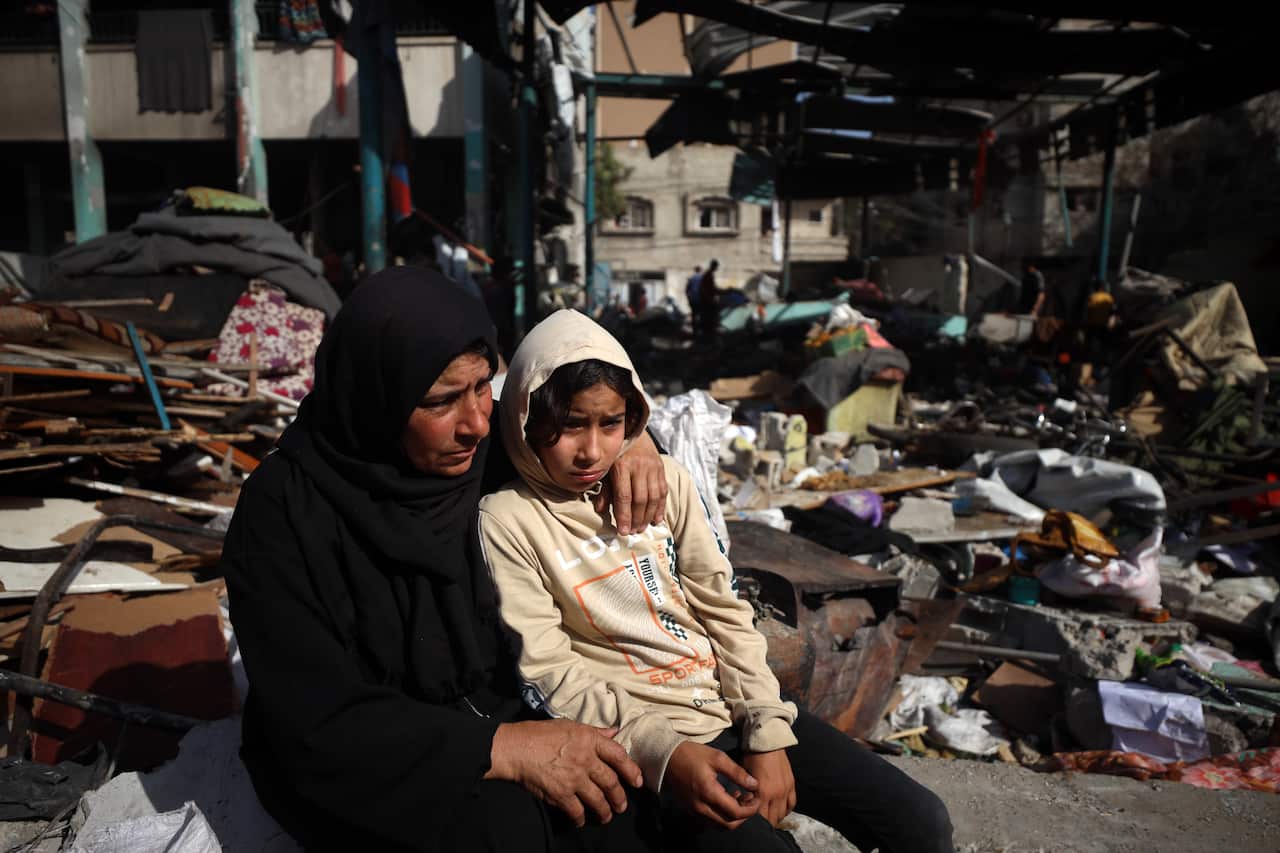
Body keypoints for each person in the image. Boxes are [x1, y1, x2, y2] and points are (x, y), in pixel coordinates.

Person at [220, 267, 672, 852]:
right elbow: (314, 719)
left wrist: (639, 442)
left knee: (646, 807)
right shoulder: (281, 515)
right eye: (439, 401)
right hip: (376, 754)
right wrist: (504, 749)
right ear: (376, 398)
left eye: (484, 386)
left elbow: (575, 412)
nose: (476, 423)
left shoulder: (492, 450)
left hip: (506, 704)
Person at [479, 309, 955, 853]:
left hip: (728, 707)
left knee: (922, 822)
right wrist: (668, 753)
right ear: (525, 419)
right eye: (567, 426)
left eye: (610, 424)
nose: (591, 450)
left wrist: (768, 731)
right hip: (644, 744)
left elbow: (722, 608)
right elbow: (552, 673)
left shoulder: (666, 481)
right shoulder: (507, 519)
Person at [698, 259, 721, 341]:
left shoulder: (709, 274)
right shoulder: (708, 275)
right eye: (716, 266)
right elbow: (705, 289)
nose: (717, 268)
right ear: (713, 266)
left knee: (708, 320)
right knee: (708, 321)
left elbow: (712, 288)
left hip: (707, 301)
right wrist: (710, 299)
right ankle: (707, 339)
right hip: (706, 302)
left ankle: (708, 337)